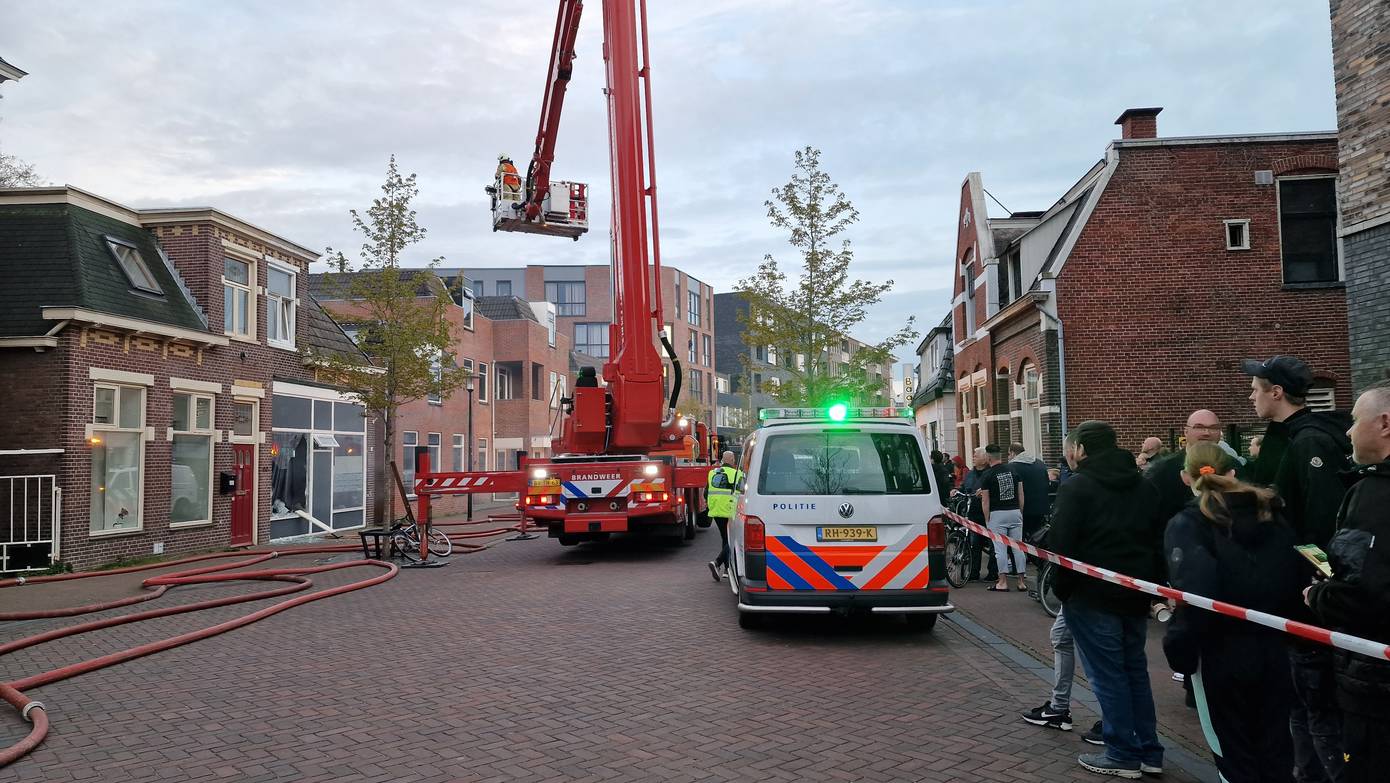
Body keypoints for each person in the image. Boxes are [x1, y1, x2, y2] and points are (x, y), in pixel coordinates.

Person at [1162, 442, 1305, 781]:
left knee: (1233, 755)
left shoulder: (1190, 524)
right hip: (1276, 650)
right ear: (1233, 471)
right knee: (1276, 749)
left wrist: (1179, 650)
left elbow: (1197, 596)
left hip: (1220, 654)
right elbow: (1295, 576)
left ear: (1186, 477)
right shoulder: (1272, 514)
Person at [1244, 355, 1353, 783]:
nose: (1250, 396)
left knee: (1315, 705)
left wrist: (1316, 586)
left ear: (1277, 392)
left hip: (1307, 597)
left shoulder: (1308, 442)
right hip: (1292, 589)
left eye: (1256, 389)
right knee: (1300, 703)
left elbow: (1321, 526)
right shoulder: (1284, 437)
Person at [1050, 420, 1166, 778]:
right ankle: (1149, 750)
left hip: (1091, 596)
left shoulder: (1077, 488)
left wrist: (1064, 591)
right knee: (1134, 672)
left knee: (1107, 676)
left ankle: (1121, 753)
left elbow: (1061, 547)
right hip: (1134, 595)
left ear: (1081, 449)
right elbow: (1157, 538)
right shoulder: (1144, 487)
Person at [1305, 380, 1390, 783]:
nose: (1349, 431)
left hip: (1374, 682)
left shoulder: (1372, 495)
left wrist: (1318, 593)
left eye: (1355, 421)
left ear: (1385, 424)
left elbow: (1363, 592)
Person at [1148, 410, 1225, 526]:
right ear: (1186, 432)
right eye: (1199, 427)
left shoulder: (1234, 466)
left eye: (1214, 428)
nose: (1206, 433)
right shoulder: (1161, 471)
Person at [978, 444, 1028, 593]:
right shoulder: (1014, 471)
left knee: (1000, 550)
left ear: (988, 457)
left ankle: (1002, 582)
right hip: (1014, 512)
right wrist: (1019, 511)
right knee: (1018, 548)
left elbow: (985, 501)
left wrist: (987, 519)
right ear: (1001, 456)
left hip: (997, 514)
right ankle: (1021, 582)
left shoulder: (987, 475)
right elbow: (1021, 494)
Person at [957, 448, 997, 583]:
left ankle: (993, 572)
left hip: (989, 513)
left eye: (976, 456)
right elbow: (964, 487)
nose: (973, 457)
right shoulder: (970, 474)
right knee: (975, 544)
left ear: (985, 459)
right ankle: (973, 572)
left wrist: (986, 493)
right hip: (974, 512)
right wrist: (956, 491)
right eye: (973, 455)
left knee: (993, 544)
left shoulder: (991, 473)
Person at [705, 451, 743, 581]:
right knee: (731, 539)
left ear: (722, 460)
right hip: (729, 511)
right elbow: (742, 493)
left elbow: (706, 493)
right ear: (732, 460)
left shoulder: (712, 473)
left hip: (715, 511)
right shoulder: (737, 474)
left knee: (725, 538)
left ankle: (727, 570)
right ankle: (717, 563)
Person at [1008, 443, 1051, 545]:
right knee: (1037, 536)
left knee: (1020, 539)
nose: (1008, 457)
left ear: (1013, 453)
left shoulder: (1012, 467)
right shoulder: (1040, 463)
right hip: (1042, 507)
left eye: (1009, 454)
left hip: (1023, 509)